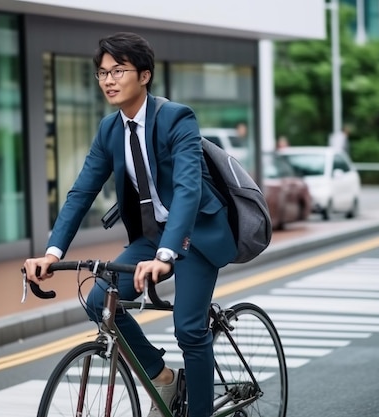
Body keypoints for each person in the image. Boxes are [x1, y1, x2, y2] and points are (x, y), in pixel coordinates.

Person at [23, 32, 236, 417]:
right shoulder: (109, 130)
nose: (108, 79)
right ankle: (162, 378)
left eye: (118, 70)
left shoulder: (176, 118)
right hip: (152, 237)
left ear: (145, 75)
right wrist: (52, 254)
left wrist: (167, 255)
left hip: (195, 236)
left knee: (189, 329)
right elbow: (81, 193)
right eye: (101, 73)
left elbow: (188, 191)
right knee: (97, 301)